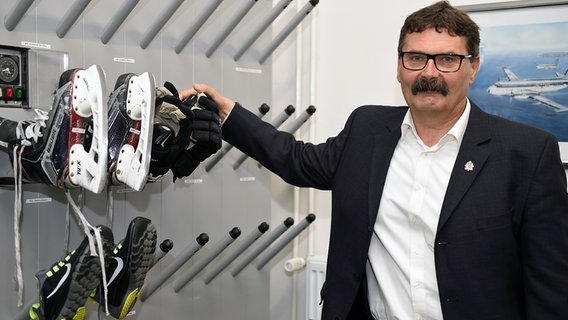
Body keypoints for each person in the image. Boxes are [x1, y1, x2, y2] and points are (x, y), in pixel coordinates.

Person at [181, 1, 568, 319]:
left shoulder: (527, 153)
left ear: (473, 67)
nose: (429, 73)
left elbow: (550, 285)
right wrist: (227, 113)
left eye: (447, 60)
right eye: (416, 58)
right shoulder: (367, 128)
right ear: (399, 65)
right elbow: (296, 161)